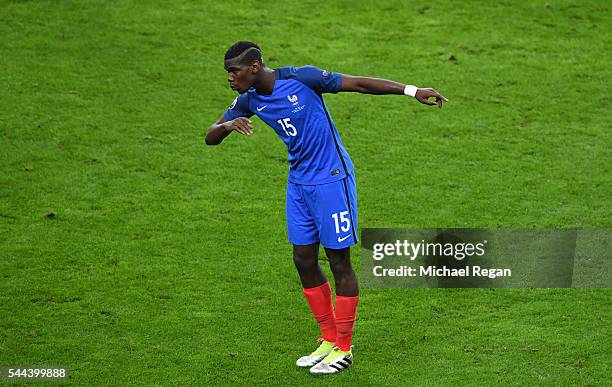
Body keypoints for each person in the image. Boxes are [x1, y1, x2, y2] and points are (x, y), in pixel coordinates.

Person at [206, 41, 447, 375]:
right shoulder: (249, 100)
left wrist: (411, 90)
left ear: (256, 66)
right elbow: (209, 136)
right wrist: (226, 126)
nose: (230, 78)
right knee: (303, 259)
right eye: (228, 72)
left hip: (332, 180)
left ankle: (345, 348)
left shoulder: (302, 79)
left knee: (339, 260)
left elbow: (359, 84)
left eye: (235, 71)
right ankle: (328, 339)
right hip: (299, 185)